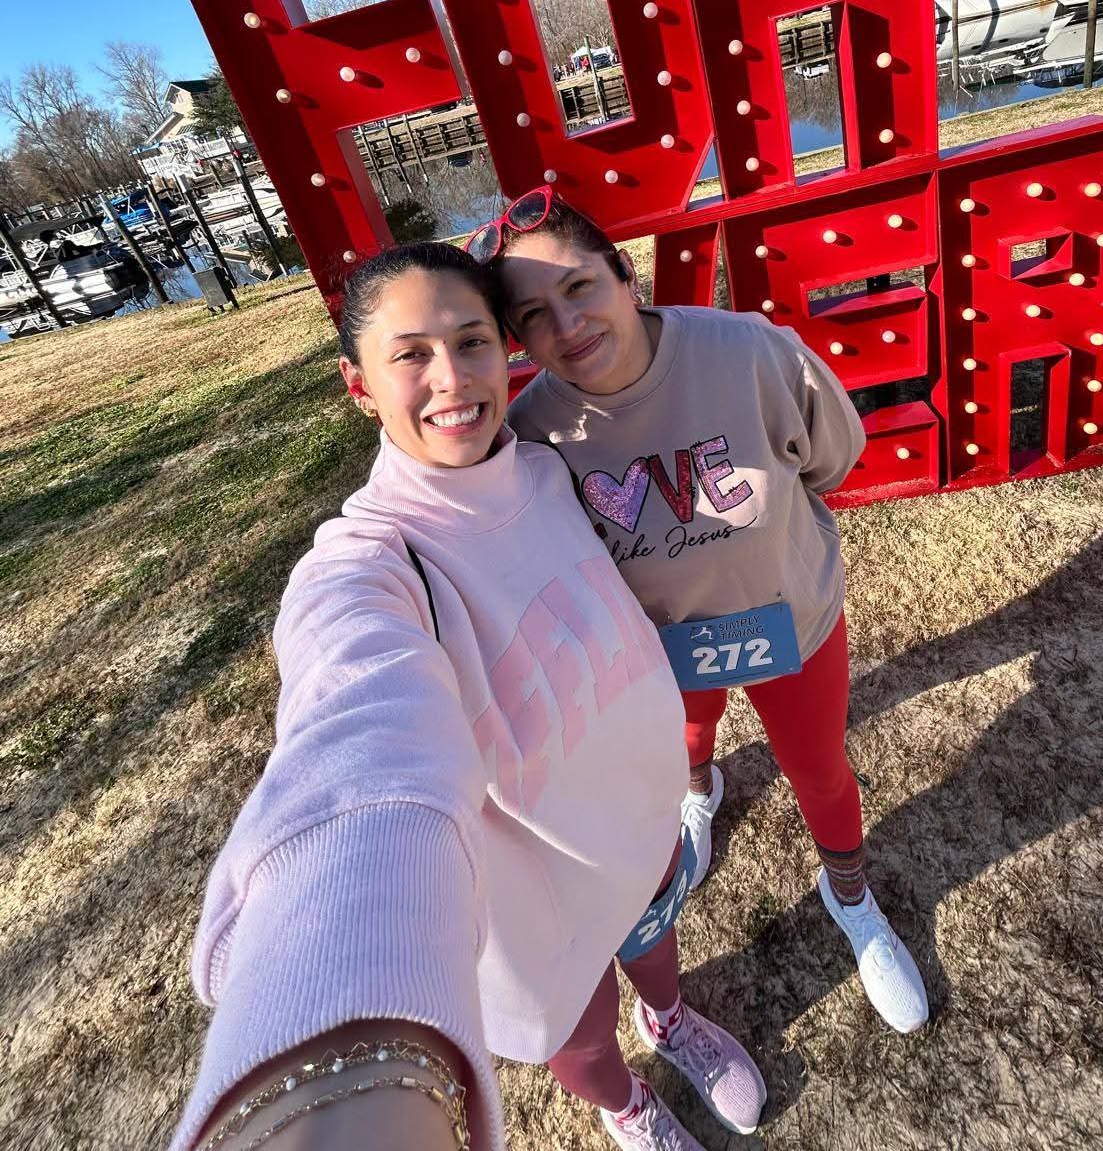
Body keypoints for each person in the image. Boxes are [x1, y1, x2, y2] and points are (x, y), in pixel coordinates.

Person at [170, 241, 766, 1151]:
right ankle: (625, 1105)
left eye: (472, 341)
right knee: (580, 1033)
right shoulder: (370, 563)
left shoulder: (538, 460)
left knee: (652, 942)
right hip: (533, 898)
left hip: (635, 825)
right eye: (410, 354)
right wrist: (329, 1040)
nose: (451, 379)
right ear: (358, 382)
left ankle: (672, 1020)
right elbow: (359, 740)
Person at [481, 191, 929, 1036]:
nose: (568, 325)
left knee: (819, 769)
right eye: (534, 316)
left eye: (580, 287)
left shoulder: (750, 352)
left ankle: (852, 896)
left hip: (787, 618)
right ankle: (700, 793)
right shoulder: (535, 430)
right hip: (656, 651)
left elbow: (833, 457)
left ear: (624, 272)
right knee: (688, 746)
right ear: (519, 339)